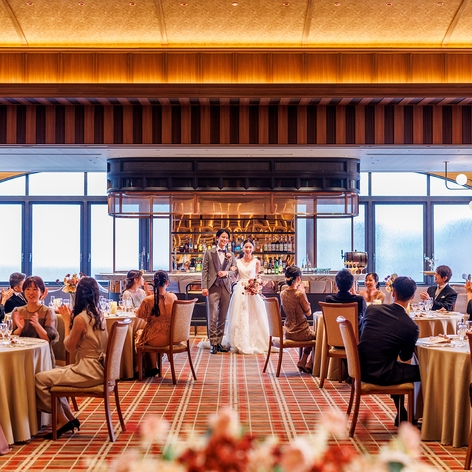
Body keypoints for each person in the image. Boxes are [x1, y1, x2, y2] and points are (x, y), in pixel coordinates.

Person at [35, 277, 107, 439]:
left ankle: (62, 420)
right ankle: (69, 417)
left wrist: (67, 322)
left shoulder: (81, 318)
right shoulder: (99, 314)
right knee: (54, 377)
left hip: (87, 371)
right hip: (100, 368)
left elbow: (69, 347)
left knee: (40, 379)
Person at [358, 276, 421, 427]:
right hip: (383, 373)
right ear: (412, 297)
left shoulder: (372, 310)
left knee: (396, 366)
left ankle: (402, 412)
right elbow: (405, 357)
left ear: (393, 292)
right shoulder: (411, 326)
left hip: (360, 368)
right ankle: (417, 415)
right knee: (425, 372)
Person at [225, 239, 269, 354]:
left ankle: (254, 339)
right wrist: (231, 271)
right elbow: (235, 277)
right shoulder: (237, 261)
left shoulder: (256, 261)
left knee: (254, 314)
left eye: (250, 247)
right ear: (242, 248)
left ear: (253, 248)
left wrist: (257, 284)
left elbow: (258, 277)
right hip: (240, 288)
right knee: (240, 314)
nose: (248, 249)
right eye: (246, 247)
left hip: (252, 289)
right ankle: (238, 340)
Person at [201, 228, 238, 354]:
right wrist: (204, 287)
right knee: (213, 316)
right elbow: (205, 271)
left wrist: (226, 273)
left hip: (226, 288)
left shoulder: (231, 255)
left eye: (226, 238)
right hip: (213, 287)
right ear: (217, 238)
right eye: (222, 237)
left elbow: (235, 271)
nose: (224, 239)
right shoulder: (209, 252)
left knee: (222, 317)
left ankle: (219, 342)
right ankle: (213, 343)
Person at [135, 270, 177, 375]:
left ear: (154, 282)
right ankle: (155, 365)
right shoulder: (173, 297)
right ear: (167, 282)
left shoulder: (148, 300)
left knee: (139, 334)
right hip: (172, 336)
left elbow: (140, 315)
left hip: (154, 339)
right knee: (152, 332)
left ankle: (150, 366)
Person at [12, 276, 59, 365]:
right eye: (28, 289)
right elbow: (12, 339)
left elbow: (48, 340)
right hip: (21, 356)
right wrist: (20, 328)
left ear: (42, 292)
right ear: (23, 291)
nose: (31, 292)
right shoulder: (18, 311)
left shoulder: (48, 312)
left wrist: (37, 325)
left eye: (35, 289)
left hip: (41, 357)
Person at [280, 265, 316, 374]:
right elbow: (309, 313)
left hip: (288, 332)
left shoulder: (282, 293)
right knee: (321, 337)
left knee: (314, 336)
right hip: (301, 332)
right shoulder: (299, 294)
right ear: (298, 278)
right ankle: (309, 362)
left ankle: (303, 361)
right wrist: (303, 293)